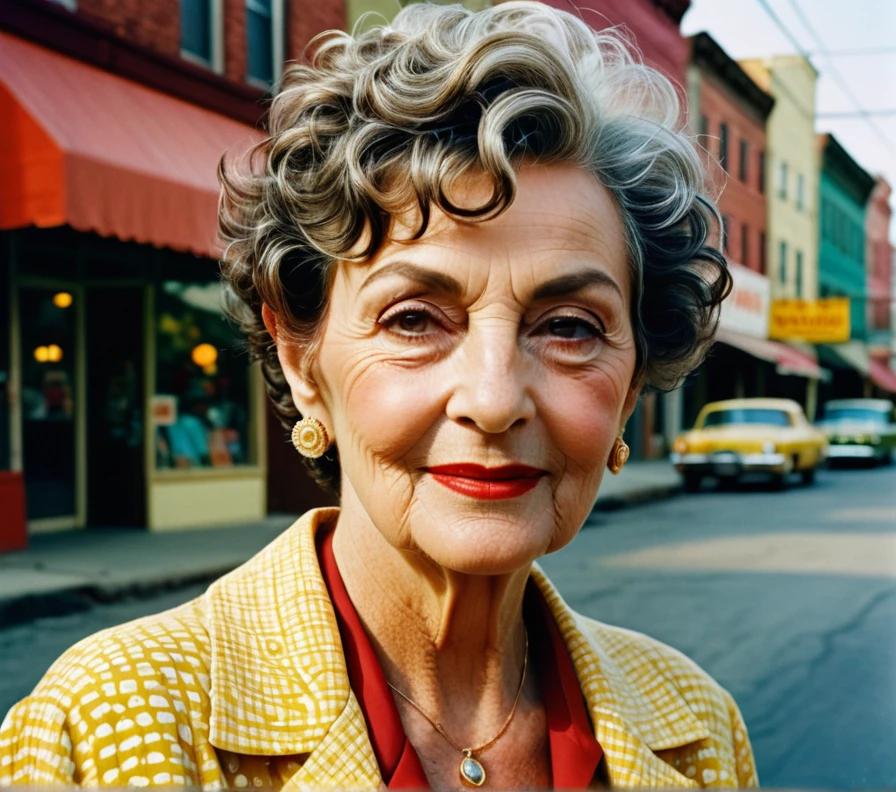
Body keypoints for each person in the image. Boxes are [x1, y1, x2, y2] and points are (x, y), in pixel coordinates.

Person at [0, 3, 757, 788]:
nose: (495, 401)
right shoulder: (106, 727)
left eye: (568, 327)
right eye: (415, 319)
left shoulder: (699, 730)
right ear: (303, 360)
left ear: (631, 386)